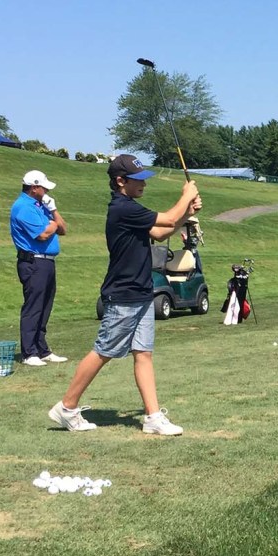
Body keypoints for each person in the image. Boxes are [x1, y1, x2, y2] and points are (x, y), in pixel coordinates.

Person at [48, 155, 201, 435]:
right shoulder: (121, 208)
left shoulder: (131, 207)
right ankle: (67, 407)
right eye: (137, 180)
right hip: (124, 292)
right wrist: (185, 196)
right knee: (104, 350)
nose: (143, 184)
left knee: (143, 353)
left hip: (142, 290)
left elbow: (158, 231)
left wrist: (188, 213)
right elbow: (166, 218)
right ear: (121, 181)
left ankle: (153, 417)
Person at [10, 169, 68, 366]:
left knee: (45, 306)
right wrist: (52, 224)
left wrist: (53, 211)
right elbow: (43, 235)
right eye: (43, 187)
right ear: (34, 187)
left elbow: (63, 229)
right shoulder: (23, 207)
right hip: (33, 262)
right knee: (33, 307)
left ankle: (42, 349)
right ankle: (29, 353)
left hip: (47, 261)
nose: (46, 191)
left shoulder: (40, 205)